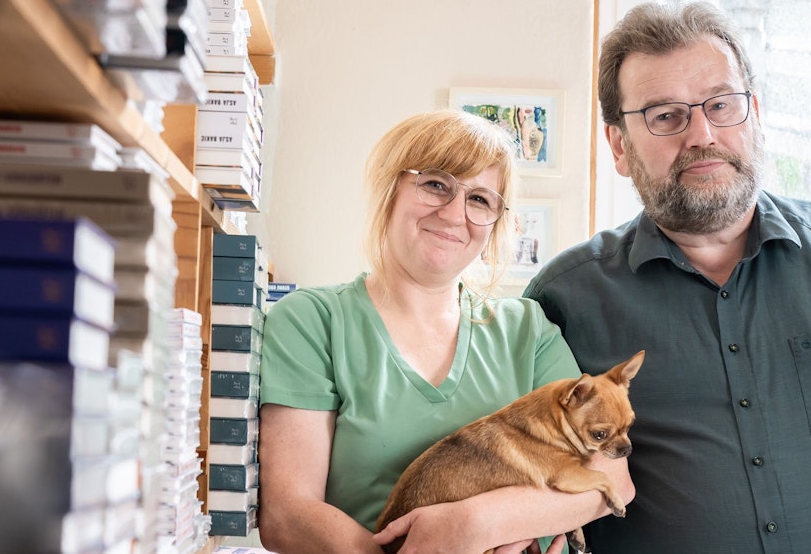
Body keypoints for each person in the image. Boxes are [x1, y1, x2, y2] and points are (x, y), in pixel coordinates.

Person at [525, 0, 811, 553]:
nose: (702, 133)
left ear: (754, 113)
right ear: (619, 147)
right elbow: (526, 471)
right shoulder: (564, 300)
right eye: (664, 115)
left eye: (721, 104)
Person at [256, 109, 634, 554]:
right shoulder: (310, 322)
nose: (455, 214)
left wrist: (475, 523)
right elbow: (286, 514)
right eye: (435, 184)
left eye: (480, 200)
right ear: (389, 189)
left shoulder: (528, 332)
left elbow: (611, 483)